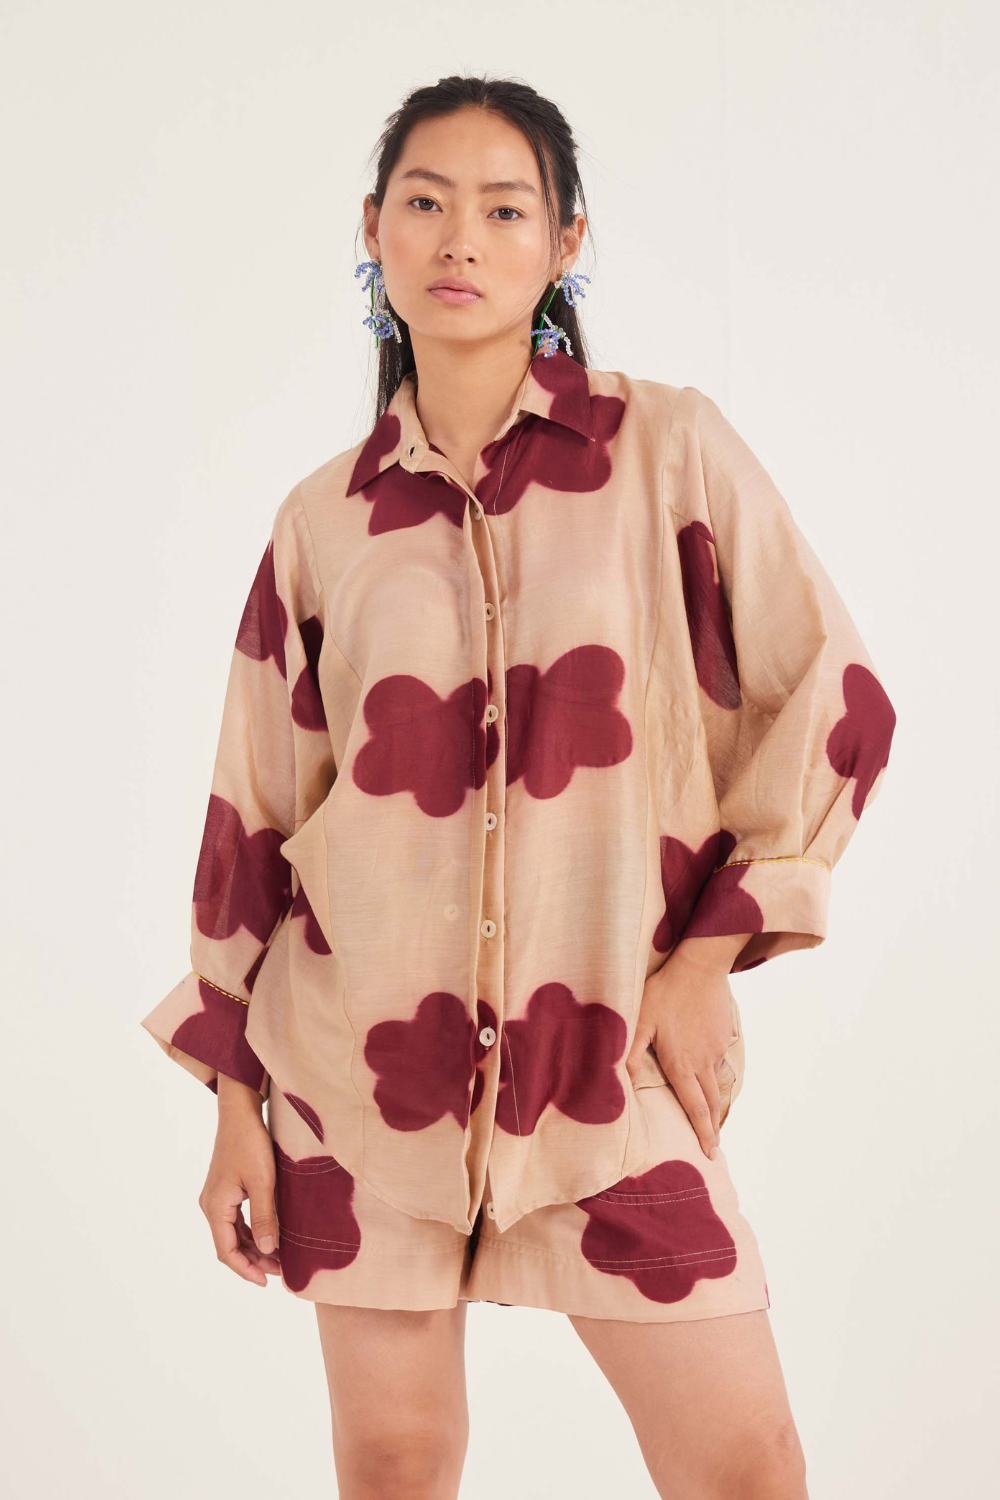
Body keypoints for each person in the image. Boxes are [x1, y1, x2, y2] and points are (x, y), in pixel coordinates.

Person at [140, 73, 895, 1500]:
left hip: (606, 1059)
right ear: (373, 228)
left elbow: (836, 696)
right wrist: (235, 1103)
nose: (460, 241)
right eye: (426, 203)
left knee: (745, 1466)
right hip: (357, 1076)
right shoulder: (324, 521)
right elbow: (253, 818)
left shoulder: (669, 451)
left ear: (565, 243)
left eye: (504, 210)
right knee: (396, 1464)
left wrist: (707, 959)